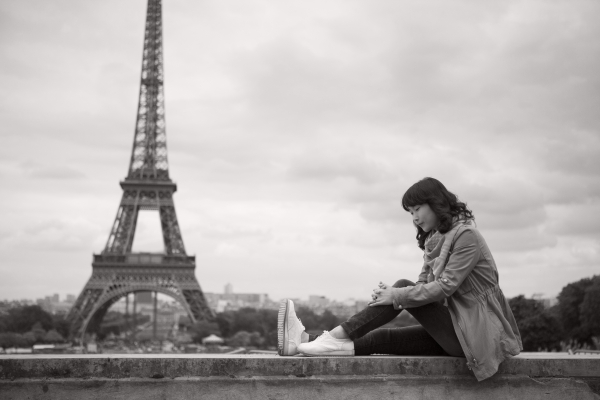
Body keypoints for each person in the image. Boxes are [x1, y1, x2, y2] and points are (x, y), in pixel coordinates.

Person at [277, 177, 522, 381]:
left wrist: (396, 294)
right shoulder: (434, 241)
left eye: (417, 209)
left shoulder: (467, 236)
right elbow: (423, 286)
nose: (414, 217)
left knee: (403, 286)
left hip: (475, 334)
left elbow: (444, 287)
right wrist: (393, 296)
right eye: (410, 212)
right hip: (456, 329)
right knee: (383, 338)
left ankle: (337, 334)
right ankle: (303, 341)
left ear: (436, 204)